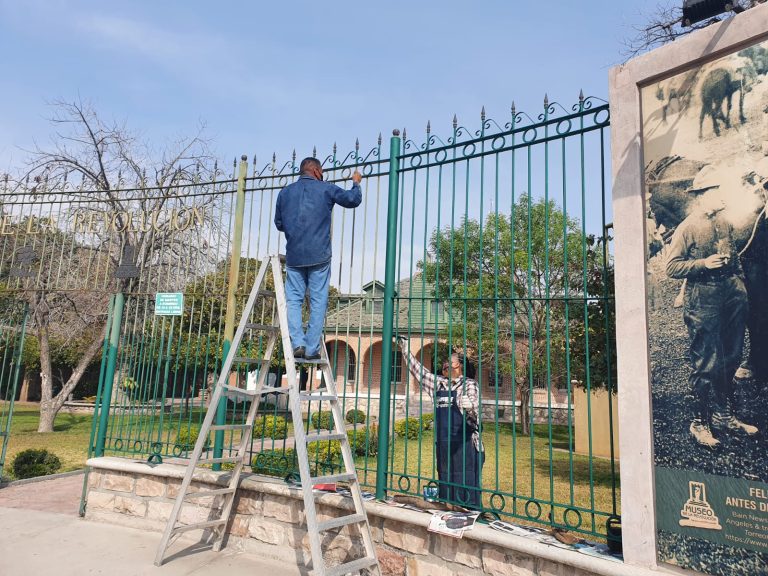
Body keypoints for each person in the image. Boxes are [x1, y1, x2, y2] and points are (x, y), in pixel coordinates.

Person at [666, 165, 758, 448]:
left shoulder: (724, 222)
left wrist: (740, 286)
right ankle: (699, 423)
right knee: (706, 362)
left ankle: (724, 416)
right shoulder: (688, 227)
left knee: (731, 356)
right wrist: (701, 264)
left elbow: (734, 256)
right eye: (717, 191)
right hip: (702, 297)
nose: (722, 196)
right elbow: (671, 266)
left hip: (730, 293)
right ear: (703, 195)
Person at [274, 157, 362, 360]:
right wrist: (356, 182)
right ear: (315, 171)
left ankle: (297, 343)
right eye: (321, 172)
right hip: (319, 256)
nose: (322, 175)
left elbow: (279, 223)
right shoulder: (326, 189)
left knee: (293, 300)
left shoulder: (284, 193)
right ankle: (311, 348)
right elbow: (352, 200)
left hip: (294, 256)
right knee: (318, 300)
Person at [396, 336, 484, 508]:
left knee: (466, 488)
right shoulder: (439, 384)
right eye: (444, 366)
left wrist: (470, 407)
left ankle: (471, 514)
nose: (447, 367)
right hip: (444, 445)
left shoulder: (469, 384)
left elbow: (474, 406)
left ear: (461, 368)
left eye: (452, 364)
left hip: (465, 446)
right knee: (446, 483)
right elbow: (419, 372)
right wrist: (406, 351)